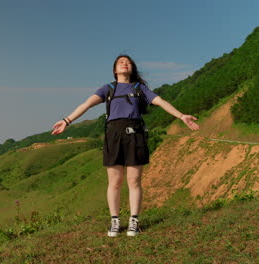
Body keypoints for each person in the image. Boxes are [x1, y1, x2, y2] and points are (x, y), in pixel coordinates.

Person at [51, 54, 199, 237]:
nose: (124, 64)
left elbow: (160, 102)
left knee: (134, 181)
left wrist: (181, 116)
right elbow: (87, 104)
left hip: (135, 134)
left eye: (128, 62)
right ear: (115, 70)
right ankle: (115, 221)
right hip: (113, 134)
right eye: (121, 62)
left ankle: (133, 221)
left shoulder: (140, 88)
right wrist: (67, 120)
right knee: (114, 182)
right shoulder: (108, 88)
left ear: (132, 69)